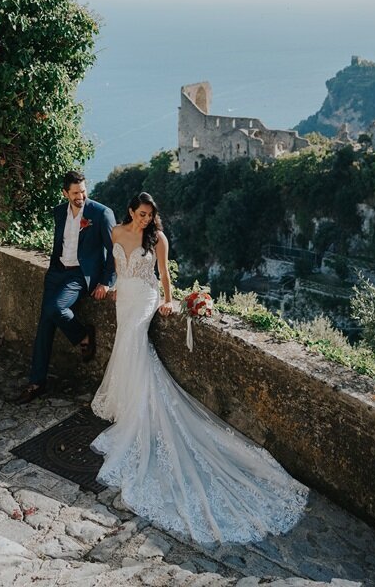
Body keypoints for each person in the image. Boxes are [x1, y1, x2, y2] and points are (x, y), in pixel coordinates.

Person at [91, 192, 309, 544]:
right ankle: (127, 403)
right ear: (132, 211)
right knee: (124, 345)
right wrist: (114, 287)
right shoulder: (116, 233)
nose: (146, 220)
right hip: (125, 297)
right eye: (142, 214)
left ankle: (139, 413)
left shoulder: (157, 238)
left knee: (133, 342)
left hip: (145, 300)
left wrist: (167, 301)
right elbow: (115, 267)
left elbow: (163, 274)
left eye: (150, 215)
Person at [16, 170, 116, 404]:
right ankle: (37, 382)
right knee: (44, 328)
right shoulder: (60, 212)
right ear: (65, 193)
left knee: (55, 308)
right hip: (56, 272)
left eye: (82, 191)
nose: (80, 196)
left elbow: (115, 251)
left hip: (79, 276)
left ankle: (83, 335)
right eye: (75, 193)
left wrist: (106, 282)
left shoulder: (101, 213)